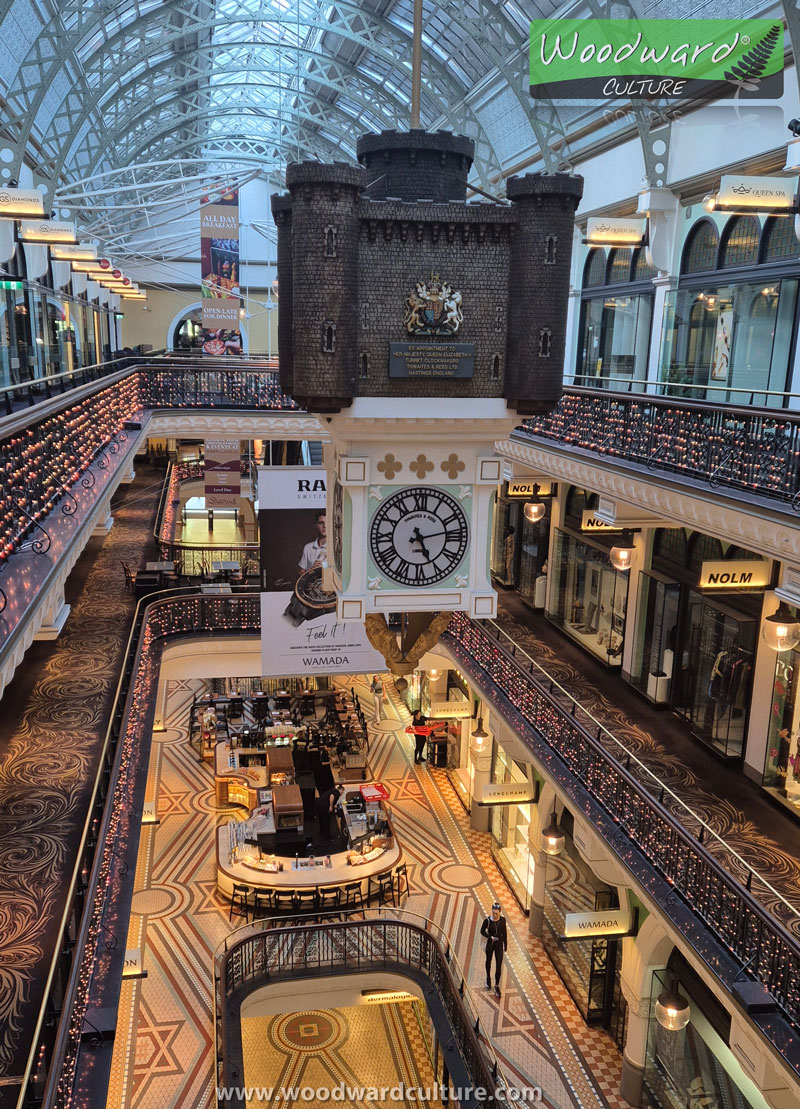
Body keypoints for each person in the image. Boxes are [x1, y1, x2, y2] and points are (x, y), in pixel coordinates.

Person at [480, 901, 508, 998]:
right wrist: (489, 937)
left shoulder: (503, 920)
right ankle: (488, 977)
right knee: (488, 960)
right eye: (493, 913)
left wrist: (505, 944)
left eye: (496, 913)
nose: (495, 915)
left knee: (499, 964)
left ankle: (496, 985)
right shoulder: (487, 920)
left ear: (500, 912)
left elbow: (504, 932)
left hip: (499, 944)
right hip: (490, 943)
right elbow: (482, 931)